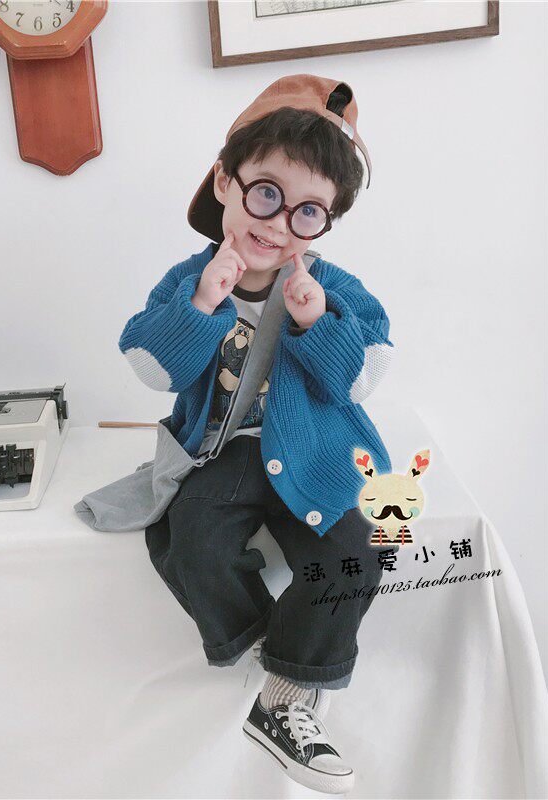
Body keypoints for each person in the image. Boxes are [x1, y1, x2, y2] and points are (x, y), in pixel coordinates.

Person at [118, 74, 397, 795]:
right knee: (190, 544)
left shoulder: (335, 288)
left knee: (356, 551)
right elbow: (150, 367)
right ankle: (278, 659)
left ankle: (283, 703)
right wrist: (202, 303)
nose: (279, 225)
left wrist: (316, 321)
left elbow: (362, 378)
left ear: (325, 223)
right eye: (266, 194)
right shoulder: (189, 279)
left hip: (314, 447)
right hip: (223, 451)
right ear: (225, 181)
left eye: (308, 212)